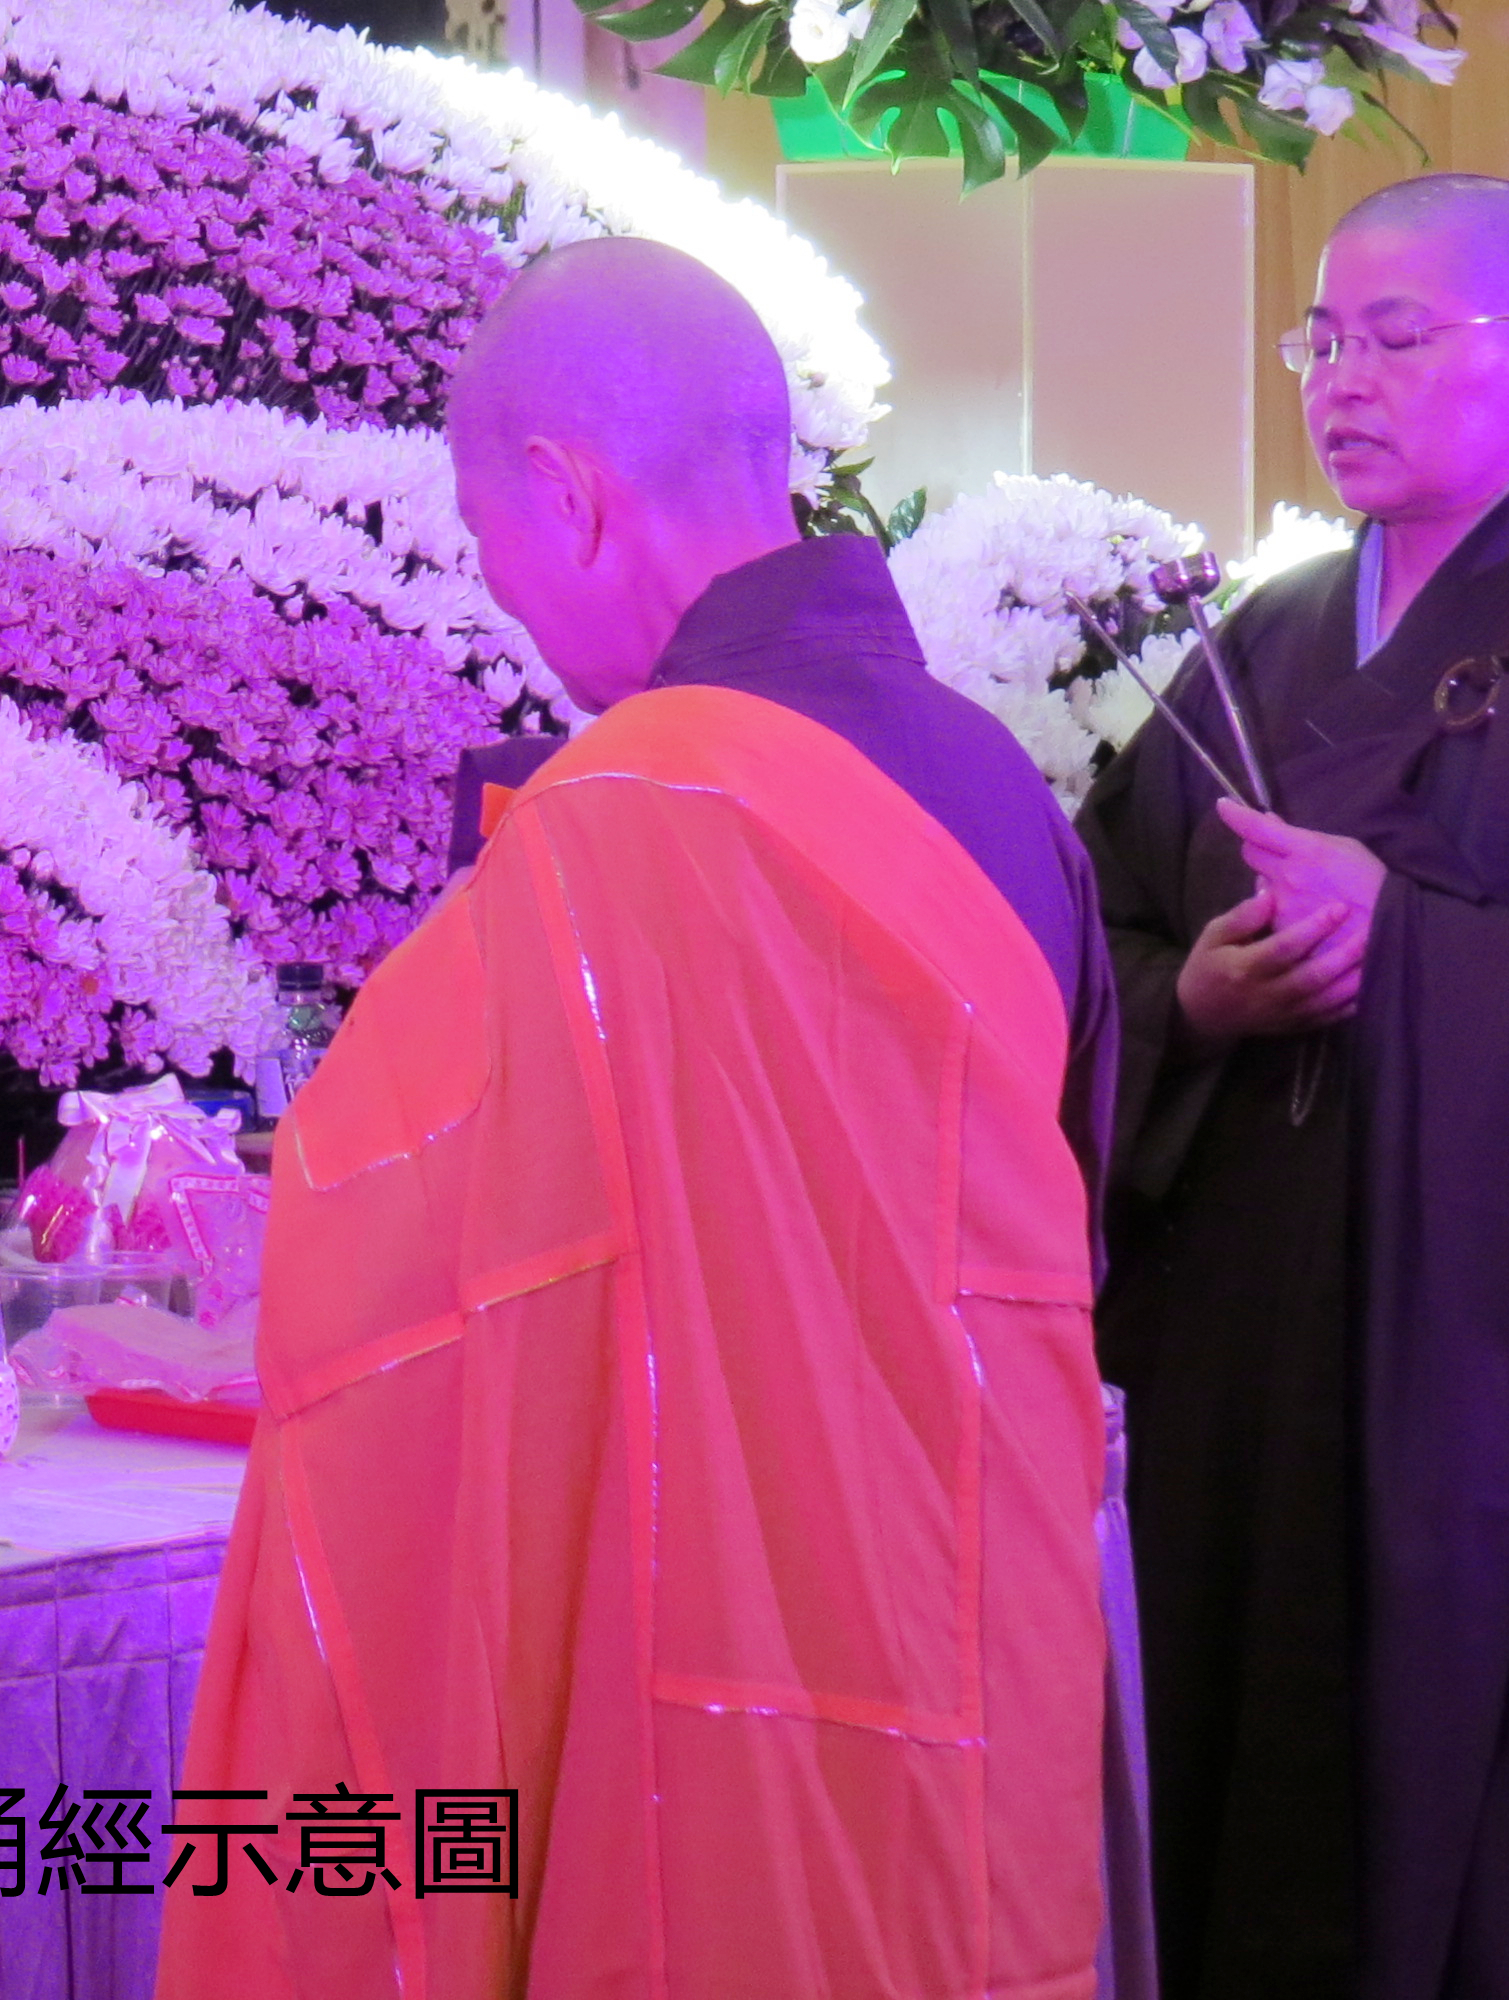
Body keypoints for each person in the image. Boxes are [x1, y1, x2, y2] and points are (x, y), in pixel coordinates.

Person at [158, 237, 1145, 1999]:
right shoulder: (1003, 789)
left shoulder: (615, 819)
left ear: (568, 494)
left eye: (496, 555)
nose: (517, 620)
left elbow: (367, 1249)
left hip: (706, 1694)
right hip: (979, 1662)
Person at [1076, 173, 1509, 2000]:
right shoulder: (1261, 637)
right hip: (1238, 1358)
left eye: (1398, 337)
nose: (1345, 380)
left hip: (1469, 1394)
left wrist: (1409, 946)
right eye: (1323, 340)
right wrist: (1198, 1003)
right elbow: (1095, 941)